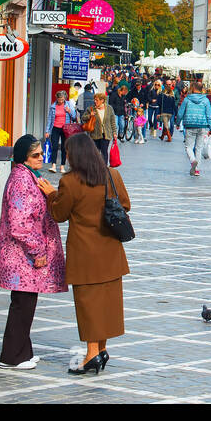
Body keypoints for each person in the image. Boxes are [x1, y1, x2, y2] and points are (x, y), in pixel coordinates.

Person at [41, 132, 130, 375]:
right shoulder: (112, 175)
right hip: (111, 250)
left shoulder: (70, 182)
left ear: (75, 155)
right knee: (107, 304)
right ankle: (101, 349)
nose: (66, 156)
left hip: (85, 253)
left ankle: (92, 354)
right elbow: (125, 205)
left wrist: (50, 194)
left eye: (68, 153)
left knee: (88, 304)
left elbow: (59, 214)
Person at [0, 135, 67, 370]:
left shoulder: (30, 176)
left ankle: (23, 352)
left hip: (24, 256)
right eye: (35, 155)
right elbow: (19, 224)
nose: (41, 158)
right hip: (21, 256)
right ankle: (11, 357)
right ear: (23, 158)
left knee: (27, 301)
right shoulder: (21, 180)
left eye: (42, 154)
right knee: (22, 303)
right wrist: (38, 250)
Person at [177, 80, 211, 177]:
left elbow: (180, 112)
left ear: (193, 88)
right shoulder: (205, 100)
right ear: (202, 89)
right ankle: (197, 170)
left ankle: (193, 160)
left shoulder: (187, 99)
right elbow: (209, 115)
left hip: (190, 125)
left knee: (188, 147)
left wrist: (177, 123)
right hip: (202, 125)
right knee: (199, 148)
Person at [46, 90, 77, 173]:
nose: (61, 101)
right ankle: (53, 165)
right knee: (55, 147)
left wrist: (69, 111)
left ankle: (62, 166)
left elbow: (74, 117)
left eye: (62, 100)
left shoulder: (68, 105)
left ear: (65, 99)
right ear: (57, 98)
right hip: (55, 128)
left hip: (65, 128)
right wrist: (47, 131)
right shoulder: (53, 106)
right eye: (59, 99)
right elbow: (49, 119)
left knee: (64, 148)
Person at [83, 89, 117, 161]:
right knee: (95, 153)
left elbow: (112, 121)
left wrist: (114, 133)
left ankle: (104, 168)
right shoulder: (91, 109)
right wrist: (89, 115)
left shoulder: (109, 108)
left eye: (97, 100)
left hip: (106, 134)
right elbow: (83, 118)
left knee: (104, 152)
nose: (95, 101)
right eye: (94, 100)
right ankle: (95, 167)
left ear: (102, 100)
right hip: (95, 134)